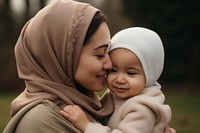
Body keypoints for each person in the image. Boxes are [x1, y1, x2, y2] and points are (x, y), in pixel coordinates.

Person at [3, 0, 175, 132]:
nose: (109, 64)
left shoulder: (85, 102)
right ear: (64, 56)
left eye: (108, 53)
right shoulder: (42, 120)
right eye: (100, 54)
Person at [60, 27, 172, 133]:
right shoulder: (115, 95)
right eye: (113, 70)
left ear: (151, 75)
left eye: (130, 73)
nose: (119, 79)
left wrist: (87, 126)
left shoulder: (143, 108)